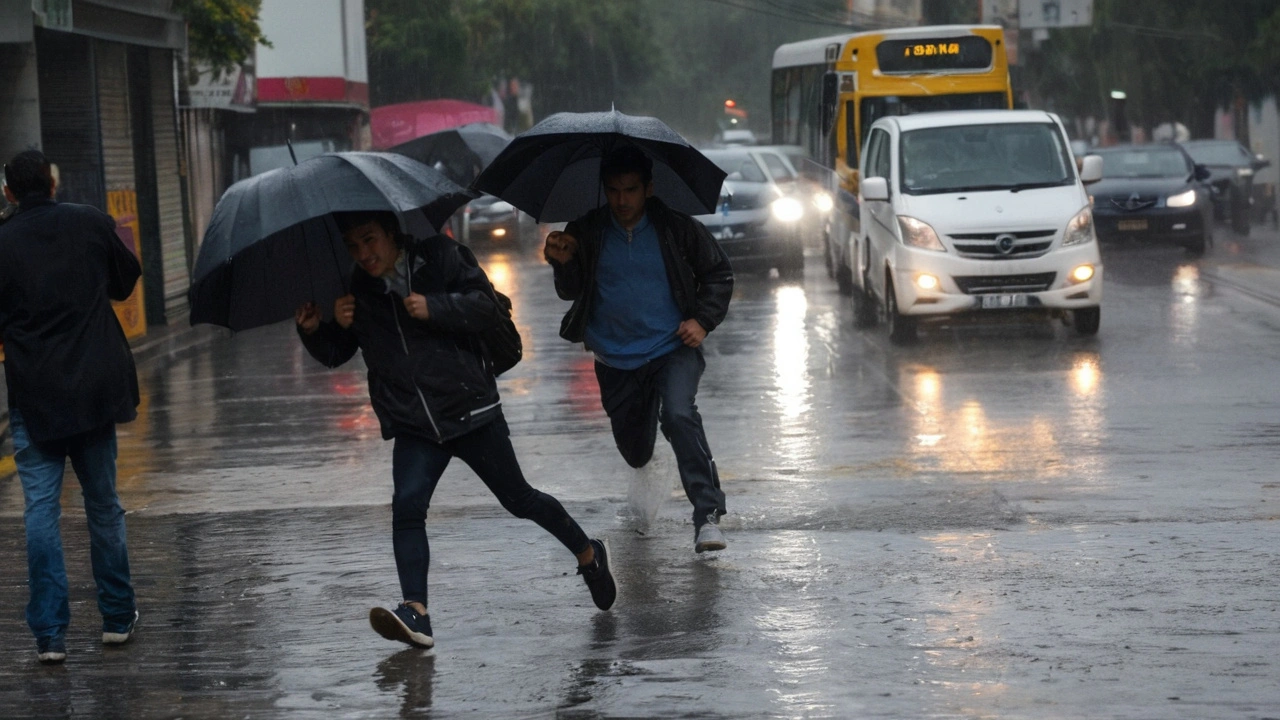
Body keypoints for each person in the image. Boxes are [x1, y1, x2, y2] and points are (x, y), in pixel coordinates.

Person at [295, 210, 616, 650]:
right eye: (353, 246)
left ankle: (589, 554)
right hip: (413, 423)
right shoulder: (357, 287)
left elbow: (486, 307)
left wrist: (435, 306)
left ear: (391, 234)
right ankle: (417, 613)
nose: (363, 254)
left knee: (519, 499)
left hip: (469, 409)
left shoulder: (441, 257)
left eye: (369, 240)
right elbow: (337, 352)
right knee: (407, 508)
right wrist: (317, 330)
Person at [543, 145, 734, 553]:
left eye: (630, 190)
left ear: (648, 188)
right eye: (613, 191)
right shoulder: (585, 231)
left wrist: (702, 320)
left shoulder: (677, 228)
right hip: (615, 358)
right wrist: (562, 262)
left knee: (680, 415)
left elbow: (718, 273)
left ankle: (707, 516)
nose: (622, 200)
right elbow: (570, 292)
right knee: (635, 452)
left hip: (671, 348)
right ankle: (648, 437)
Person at [0, 150, 142, 664]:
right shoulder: (89, 223)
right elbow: (127, 279)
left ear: (9, 192)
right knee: (102, 505)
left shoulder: (3, 240)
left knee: (40, 511)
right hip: (94, 390)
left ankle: (50, 634)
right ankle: (117, 617)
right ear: (53, 183)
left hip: (34, 396)